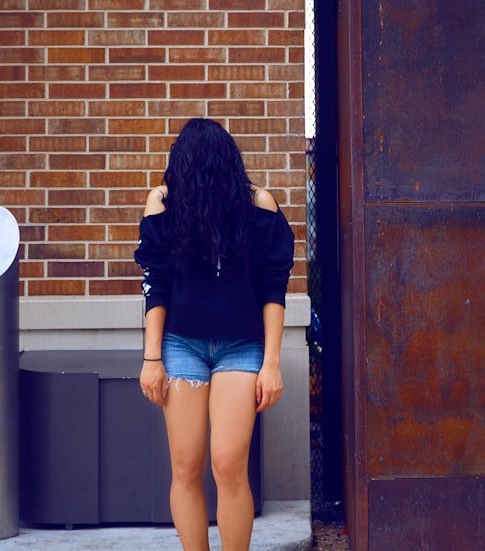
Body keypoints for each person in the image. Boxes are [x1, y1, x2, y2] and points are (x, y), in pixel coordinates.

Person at [134, 118, 294, 551]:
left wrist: (272, 365)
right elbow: (156, 282)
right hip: (181, 344)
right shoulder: (164, 205)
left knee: (227, 465)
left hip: (241, 347)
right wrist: (152, 359)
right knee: (186, 467)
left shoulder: (258, 206)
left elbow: (273, 285)